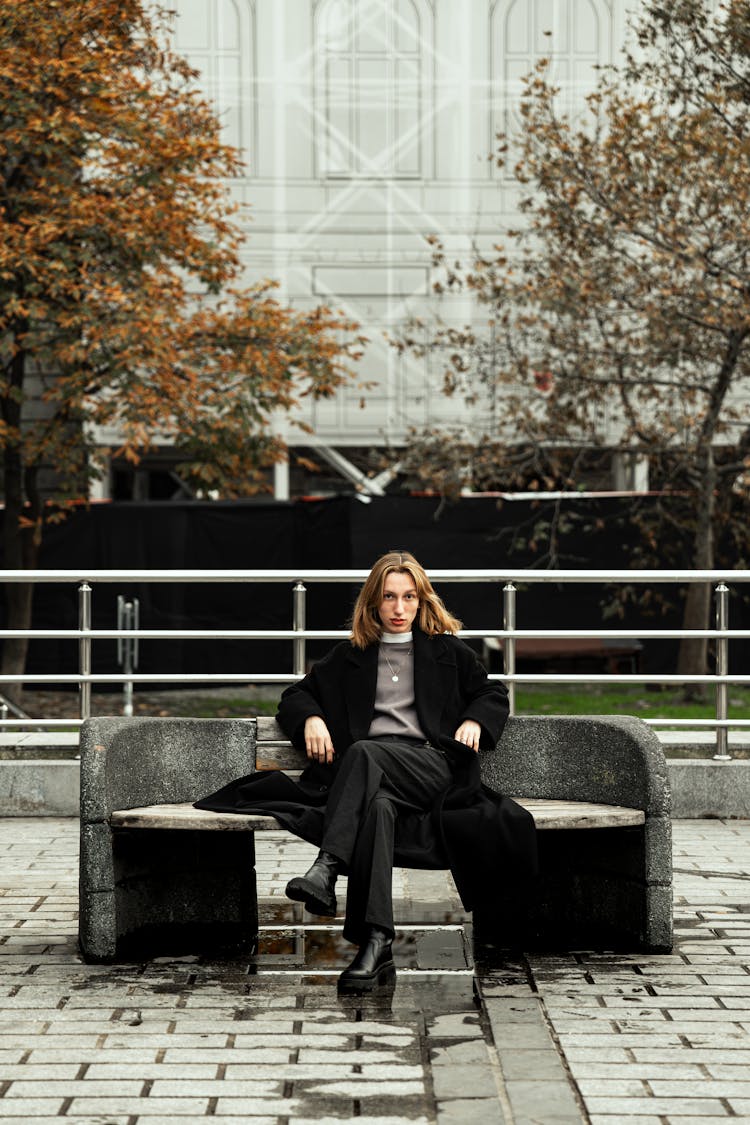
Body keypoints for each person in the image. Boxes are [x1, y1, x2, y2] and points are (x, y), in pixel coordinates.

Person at [195, 550, 537, 991]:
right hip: (375, 781)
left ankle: (328, 866)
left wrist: (474, 719)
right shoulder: (350, 656)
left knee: (363, 753)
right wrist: (312, 719)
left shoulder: (448, 652)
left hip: (433, 771)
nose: (399, 609)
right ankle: (374, 946)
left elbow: (492, 693)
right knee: (377, 809)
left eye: (409, 597)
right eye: (390, 597)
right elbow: (295, 696)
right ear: (373, 602)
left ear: (422, 601)